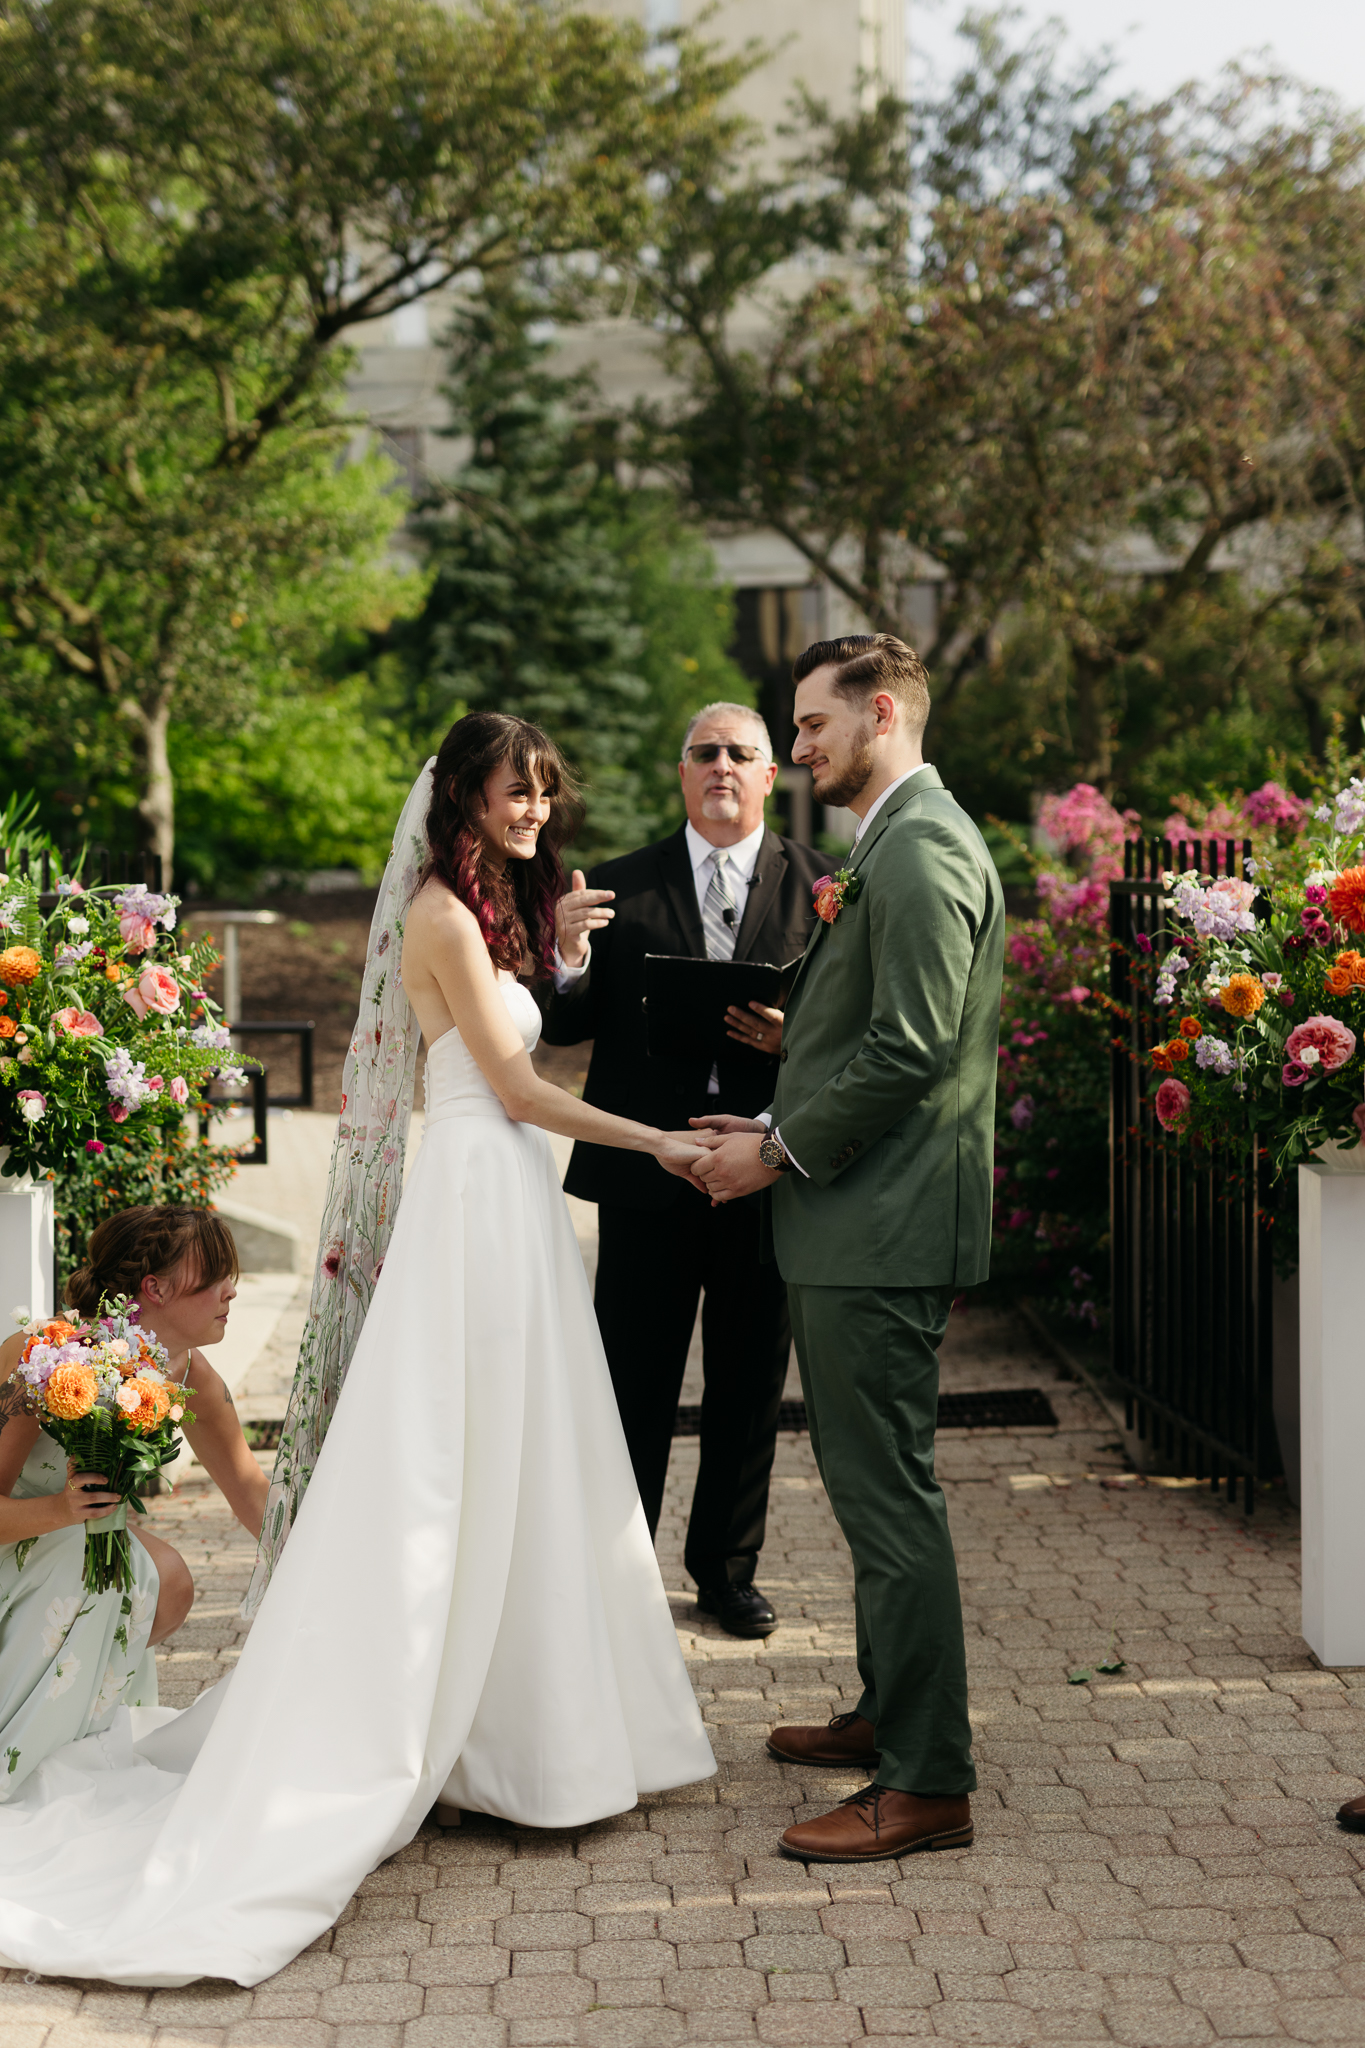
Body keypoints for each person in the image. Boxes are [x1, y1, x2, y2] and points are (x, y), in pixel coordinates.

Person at [0, 711, 715, 1987]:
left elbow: (518, 1042)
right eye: (516, 790)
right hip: (482, 1204)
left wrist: (548, 953)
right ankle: (458, 1742)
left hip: (509, 1206)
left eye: (546, 792)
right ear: (462, 796)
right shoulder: (442, 909)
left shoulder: (487, 909)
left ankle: (528, 1738)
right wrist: (656, 1142)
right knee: (461, 1463)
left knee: (527, 1458)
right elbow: (518, 1088)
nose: (536, 809)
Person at [687, 635, 1004, 1863]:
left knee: (888, 1502)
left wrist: (775, 1152)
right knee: (876, 1493)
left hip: (880, 1226)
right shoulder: (895, 842)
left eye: (812, 726)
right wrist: (770, 1110)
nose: (798, 746)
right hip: (857, 1214)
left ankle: (928, 1780)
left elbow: (913, 1048)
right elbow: (868, 1031)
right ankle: (888, 1711)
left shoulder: (923, 849)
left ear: (883, 713)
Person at [541, 703, 824, 1639]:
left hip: (764, 1168)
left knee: (749, 1380)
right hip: (646, 1173)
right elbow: (562, 1028)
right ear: (680, 772)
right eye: (704, 753)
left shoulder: (827, 889)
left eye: (741, 754)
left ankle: (725, 1572)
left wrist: (796, 1038)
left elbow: (854, 1034)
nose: (721, 767)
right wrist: (569, 959)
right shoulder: (617, 889)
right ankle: (616, 1570)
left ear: (769, 774)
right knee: (631, 1379)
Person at [0, 1206, 267, 1798]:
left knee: (165, 1578)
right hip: (16, 1543)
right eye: (217, 1273)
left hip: (78, 1539)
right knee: (115, 1566)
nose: (233, 1288)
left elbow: (251, 1491)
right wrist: (61, 1512)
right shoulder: (46, 1356)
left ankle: (80, 1734)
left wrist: (332, 1568)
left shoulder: (189, 1372)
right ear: (156, 1288)